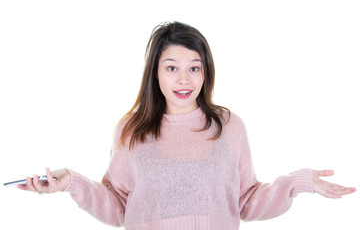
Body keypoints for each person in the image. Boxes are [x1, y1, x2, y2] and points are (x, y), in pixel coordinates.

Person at [18, 21, 356, 229]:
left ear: (206, 72)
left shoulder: (229, 126)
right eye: (171, 67)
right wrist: (71, 183)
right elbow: (118, 207)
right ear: (155, 72)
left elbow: (247, 201)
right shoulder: (131, 130)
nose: (184, 79)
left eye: (194, 67)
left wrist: (297, 183)